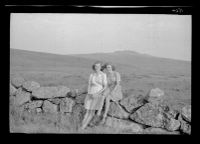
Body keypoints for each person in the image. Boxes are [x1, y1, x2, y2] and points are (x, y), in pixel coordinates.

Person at [80, 61, 107, 130]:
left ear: (101, 67)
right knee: (87, 111)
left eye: (98, 66)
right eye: (95, 66)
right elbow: (89, 85)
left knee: (91, 111)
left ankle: (83, 127)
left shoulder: (103, 75)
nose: (96, 67)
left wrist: (96, 94)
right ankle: (82, 125)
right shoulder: (92, 75)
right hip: (90, 93)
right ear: (94, 67)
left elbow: (105, 86)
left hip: (98, 94)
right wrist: (89, 93)